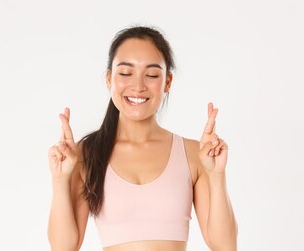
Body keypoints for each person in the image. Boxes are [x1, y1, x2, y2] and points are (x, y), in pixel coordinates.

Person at [46, 26, 238, 251]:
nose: (138, 86)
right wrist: (60, 180)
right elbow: (63, 248)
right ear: (109, 79)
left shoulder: (194, 154)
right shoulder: (86, 154)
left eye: (152, 75)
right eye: (126, 73)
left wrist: (216, 174)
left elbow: (225, 246)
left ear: (167, 82)